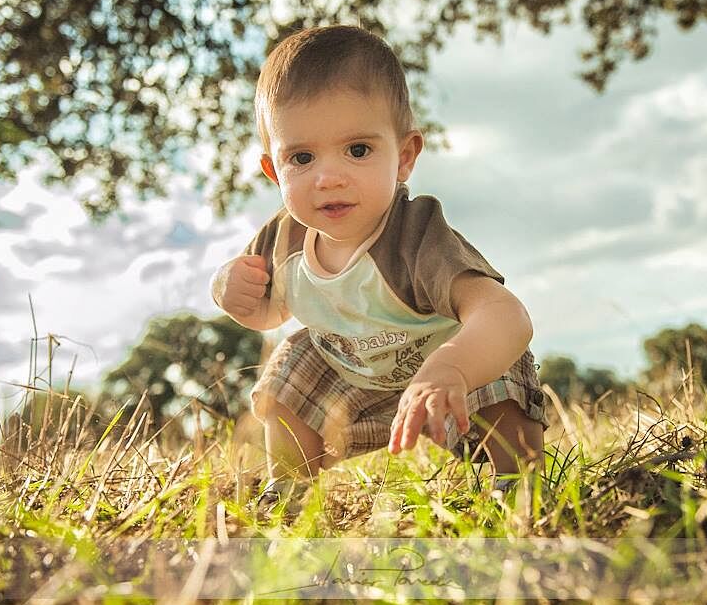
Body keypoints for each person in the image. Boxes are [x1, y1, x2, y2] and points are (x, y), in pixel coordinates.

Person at [210, 25, 547, 508]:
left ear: (405, 156)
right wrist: (227, 286)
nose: (328, 177)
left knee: (498, 362)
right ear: (274, 170)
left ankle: (516, 482)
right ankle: (286, 487)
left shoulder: (415, 235)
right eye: (301, 157)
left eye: (358, 150)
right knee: (290, 365)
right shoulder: (283, 237)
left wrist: (451, 367)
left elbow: (507, 316)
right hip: (354, 378)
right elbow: (266, 315)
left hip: (451, 378)